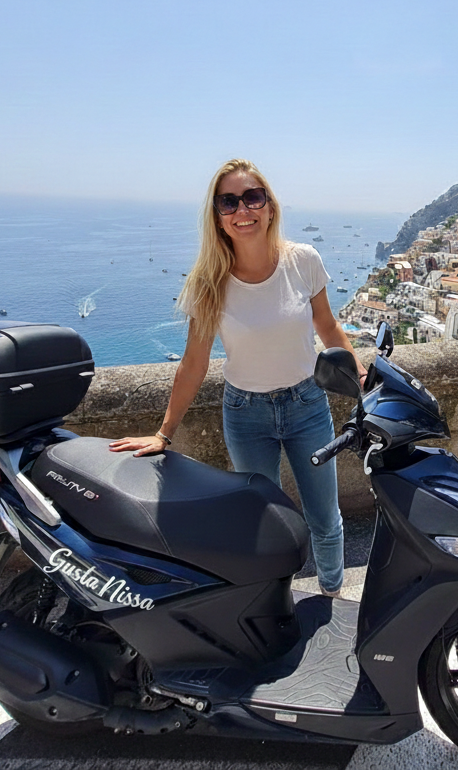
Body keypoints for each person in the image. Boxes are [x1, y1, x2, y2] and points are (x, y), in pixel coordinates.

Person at [109, 158, 366, 597]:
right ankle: (272, 606)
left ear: (269, 206)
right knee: (260, 521)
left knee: (325, 518)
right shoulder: (209, 283)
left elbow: (326, 326)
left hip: (307, 404)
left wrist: (358, 373)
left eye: (252, 197)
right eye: (229, 202)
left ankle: (331, 598)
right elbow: (194, 363)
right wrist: (164, 433)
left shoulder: (303, 261)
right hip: (246, 415)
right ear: (218, 217)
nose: (242, 209)